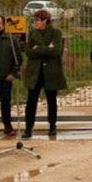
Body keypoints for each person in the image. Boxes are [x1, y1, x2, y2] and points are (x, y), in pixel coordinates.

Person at [23, 9, 66, 138]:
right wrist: (47, 48)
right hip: (35, 72)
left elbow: (56, 51)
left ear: (45, 21)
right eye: (34, 20)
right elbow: (28, 52)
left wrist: (38, 48)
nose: (35, 23)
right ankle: (28, 128)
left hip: (51, 72)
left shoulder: (56, 33)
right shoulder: (33, 33)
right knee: (31, 101)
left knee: (51, 100)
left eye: (37, 20)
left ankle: (52, 126)